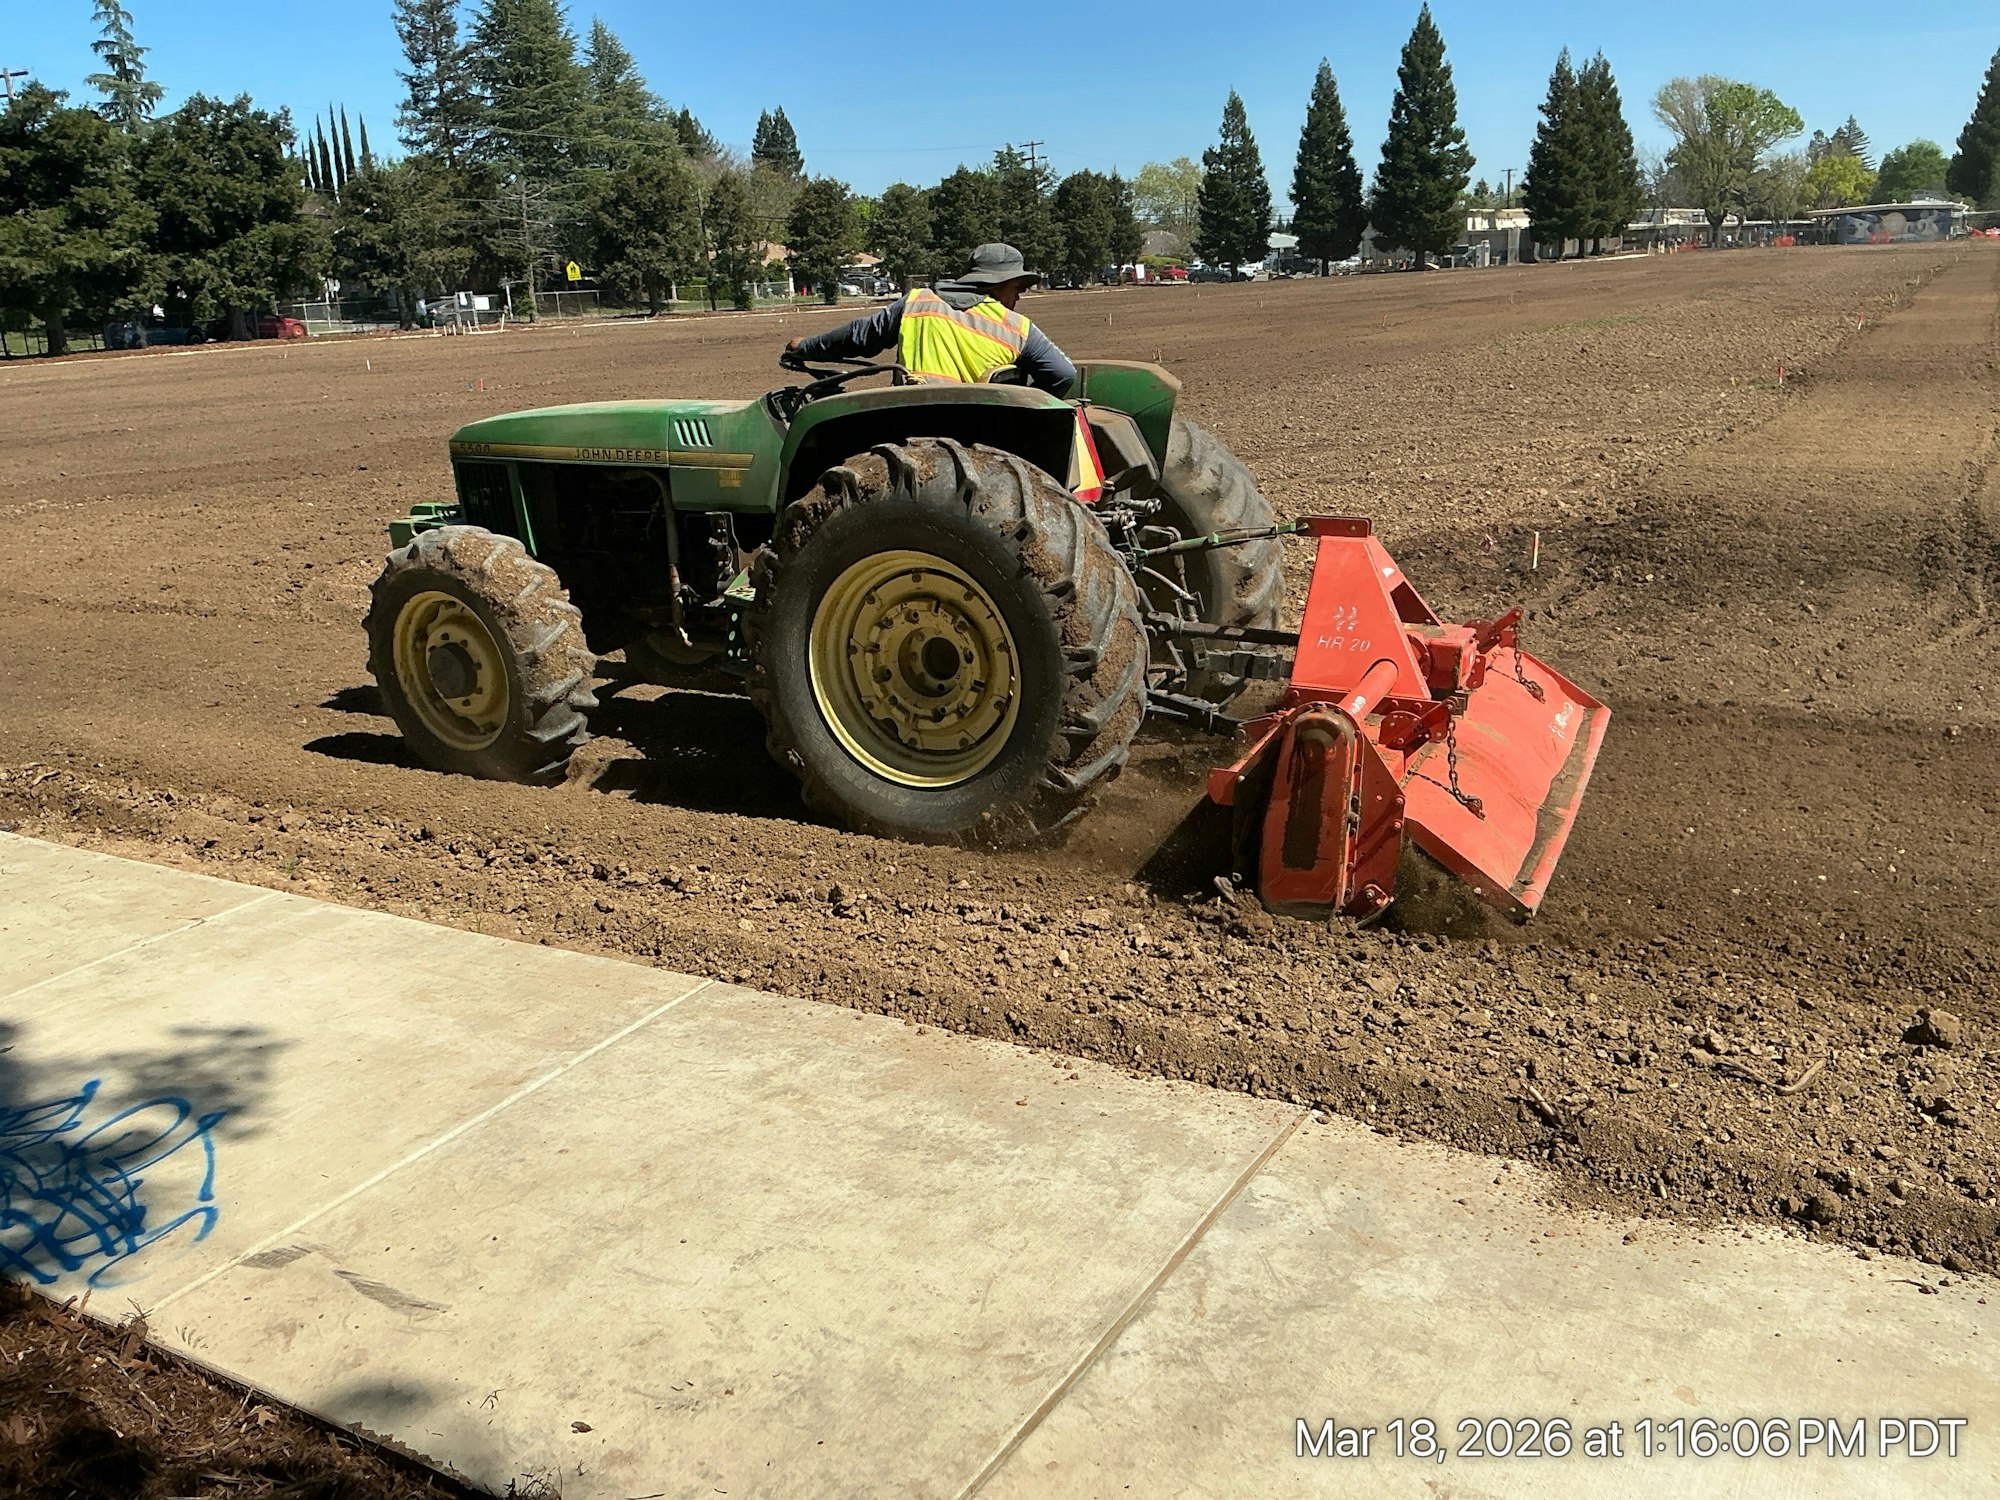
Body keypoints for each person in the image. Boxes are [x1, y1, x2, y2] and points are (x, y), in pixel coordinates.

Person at [783, 243, 1075, 393]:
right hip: (983, 435)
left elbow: (860, 336)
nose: (1019, 297)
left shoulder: (917, 303)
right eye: (1017, 288)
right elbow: (1063, 375)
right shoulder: (1018, 330)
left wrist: (806, 346)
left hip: (911, 430)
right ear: (997, 284)